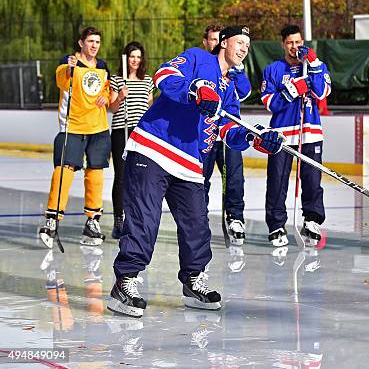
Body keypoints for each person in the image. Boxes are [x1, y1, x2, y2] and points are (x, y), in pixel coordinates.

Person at [107, 25, 284, 318]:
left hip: (189, 160)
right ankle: (124, 281)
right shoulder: (197, 58)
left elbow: (227, 129)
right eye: (240, 42)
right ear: (224, 43)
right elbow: (164, 76)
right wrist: (195, 90)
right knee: (145, 219)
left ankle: (192, 281)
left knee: (197, 225)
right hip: (153, 147)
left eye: (248, 46)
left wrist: (254, 136)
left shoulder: (229, 88)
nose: (244, 49)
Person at [38, 26, 111, 249]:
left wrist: (106, 97)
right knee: (63, 172)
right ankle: (52, 220)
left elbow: (107, 90)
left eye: (97, 42)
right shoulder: (69, 62)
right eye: (90, 41)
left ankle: (92, 221)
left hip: (98, 127)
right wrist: (68, 69)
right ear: (81, 43)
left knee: (96, 174)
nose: (94, 45)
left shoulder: (102, 66)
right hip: (72, 126)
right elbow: (61, 81)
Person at [260, 25, 332, 247]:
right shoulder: (273, 69)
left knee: (312, 180)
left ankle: (312, 219)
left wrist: (314, 64)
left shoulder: (314, 66)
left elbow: (321, 93)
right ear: (283, 44)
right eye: (290, 43)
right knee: (277, 181)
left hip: (309, 133)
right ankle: (276, 225)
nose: (295, 47)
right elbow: (270, 103)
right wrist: (292, 91)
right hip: (281, 135)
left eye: (298, 42)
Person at [201, 24, 252, 245]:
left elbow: (245, 92)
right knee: (199, 179)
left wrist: (237, 73)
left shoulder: (234, 68)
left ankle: (235, 217)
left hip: (227, 134)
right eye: (211, 40)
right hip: (204, 135)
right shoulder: (202, 65)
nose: (214, 43)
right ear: (208, 43)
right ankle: (198, 217)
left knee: (234, 178)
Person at [108, 41, 154, 239]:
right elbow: (112, 108)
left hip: (141, 133)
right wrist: (120, 96)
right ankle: (119, 218)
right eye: (132, 56)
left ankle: (136, 218)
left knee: (140, 177)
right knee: (121, 176)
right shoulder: (117, 80)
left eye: (138, 56)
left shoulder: (148, 81)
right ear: (126, 59)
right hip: (121, 131)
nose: (135, 60)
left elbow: (150, 108)